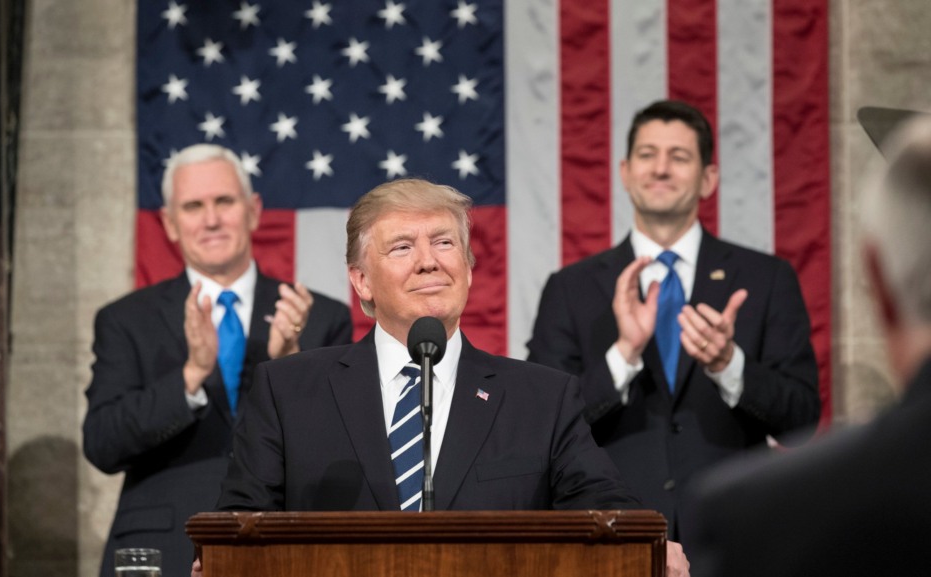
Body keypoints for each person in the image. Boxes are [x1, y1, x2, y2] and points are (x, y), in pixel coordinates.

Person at [209, 178, 690, 575]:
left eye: (444, 242)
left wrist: (645, 544)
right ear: (361, 281)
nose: (428, 260)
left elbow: (606, 505)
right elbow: (238, 525)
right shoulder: (288, 391)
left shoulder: (541, 398)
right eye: (402, 247)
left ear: (468, 267)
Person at [526, 100, 821, 538]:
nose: (660, 169)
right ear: (625, 172)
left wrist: (729, 365)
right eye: (647, 155)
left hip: (733, 534)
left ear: (708, 179)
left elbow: (802, 420)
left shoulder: (766, 278)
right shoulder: (570, 288)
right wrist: (623, 356)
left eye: (679, 157)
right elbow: (539, 425)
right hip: (611, 537)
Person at [82, 144, 353, 577]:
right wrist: (190, 375)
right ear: (170, 223)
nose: (210, 219)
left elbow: (340, 454)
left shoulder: (320, 317)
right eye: (193, 206)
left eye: (224, 201)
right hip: (160, 552)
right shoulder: (125, 320)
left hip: (282, 550)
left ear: (253, 210)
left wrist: (290, 364)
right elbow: (101, 443)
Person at [683, 114, 931, 577]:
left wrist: (729, 364)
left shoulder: (761, 515)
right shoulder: (574, 289)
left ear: (874, 279)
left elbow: (798, 411)